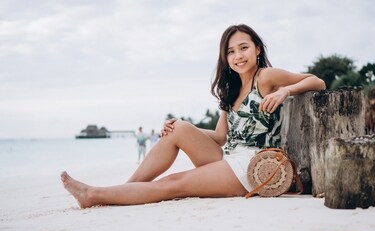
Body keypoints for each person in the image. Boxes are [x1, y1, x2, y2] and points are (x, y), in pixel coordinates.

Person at [61, 24, 325, 208]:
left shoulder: (266, 76)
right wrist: (181, 129)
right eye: (231, 52)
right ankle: (124, 190)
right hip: (230, 156)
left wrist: (285, 91)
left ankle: (96, 194)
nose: (238, 56)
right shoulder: (230, 89)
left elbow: (318, 82)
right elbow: (221, 137)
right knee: (178, 127)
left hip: (252, 165)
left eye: (243, 48)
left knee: (174, 183)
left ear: (257, 49)